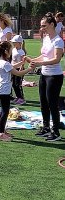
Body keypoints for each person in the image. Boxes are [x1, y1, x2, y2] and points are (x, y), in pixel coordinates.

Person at [29, 13, 64, 142]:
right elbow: (43, 56)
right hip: (44, 75)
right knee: (43, 103)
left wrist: (39, 63)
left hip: (54, 76)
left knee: (52, 104)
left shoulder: (58, 40)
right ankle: (46, 128)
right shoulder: (46, 38)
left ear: (51, 24)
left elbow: (56, 59)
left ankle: (56, 132)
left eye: (44, 25)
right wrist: (33, 60)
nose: (42, 28)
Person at [0, 41, 32, 142]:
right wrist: (29, 69)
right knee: (5, 112)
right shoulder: (5, 63)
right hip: (3, 90)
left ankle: (1, 131)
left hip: (1, 89)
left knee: (3, 110)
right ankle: (0, 134)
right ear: (6, 51)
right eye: (10, 50)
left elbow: (11, 67)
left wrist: (21, 63)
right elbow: (18, 74)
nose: (11, 51)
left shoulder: (0, 61)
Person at [10, 35, 26, 105]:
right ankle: (18, 97)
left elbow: (23, 61)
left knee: (17, 84)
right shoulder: (13, 49)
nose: (13, 43)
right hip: (13, 68)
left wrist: (21, 67)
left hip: (19, 69)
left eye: (14, 42)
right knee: (13, 84)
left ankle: (21, 98)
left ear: (19, 43)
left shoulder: (21, 51)